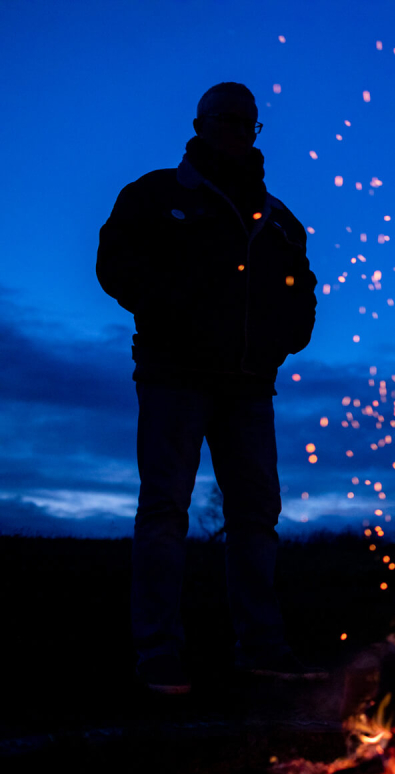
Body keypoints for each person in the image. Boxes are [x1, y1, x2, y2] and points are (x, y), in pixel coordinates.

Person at [97, 82, 322, 694]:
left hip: (249, 386)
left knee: (256, 516)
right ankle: (158, 655)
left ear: (255, 130)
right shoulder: (156, 195)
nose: (234, 128)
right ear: (200, 123)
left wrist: (287, 333)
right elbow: (114, 264)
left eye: (245, 121)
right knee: (165, 509)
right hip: (173, 379)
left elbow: (301, 288)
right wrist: (167, 309)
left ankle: (262, 648)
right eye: (223, 118)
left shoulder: (279, 221)